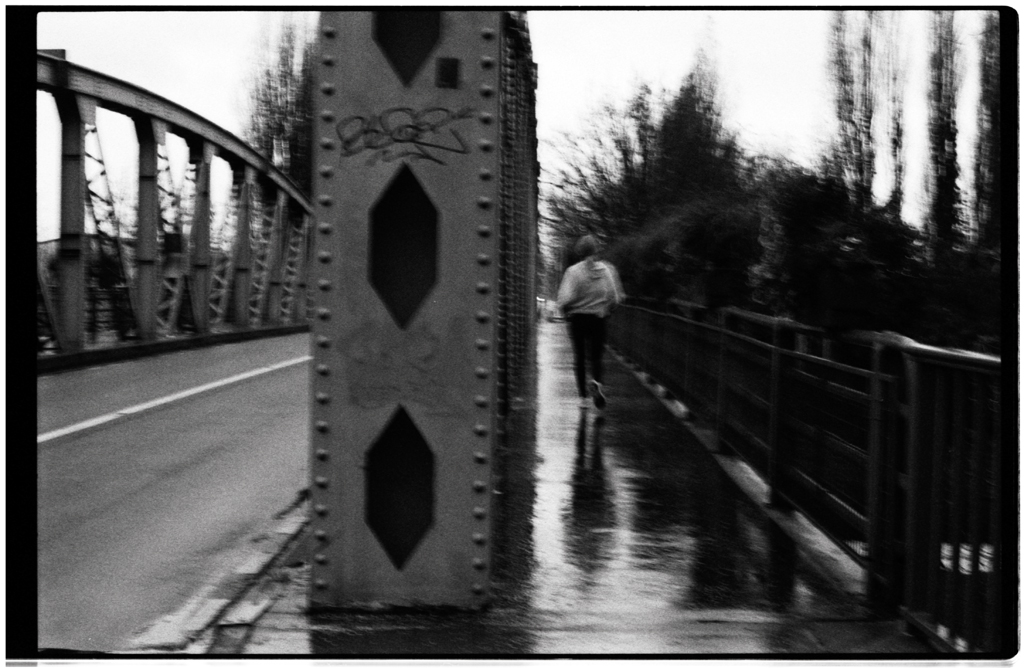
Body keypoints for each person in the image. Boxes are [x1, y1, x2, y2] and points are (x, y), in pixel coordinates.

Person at [556, 234, 625, 411]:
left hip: (578, 319)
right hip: (598, 318)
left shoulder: (573, 271)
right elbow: (615, 297)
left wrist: (565, 312)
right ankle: (596, 383)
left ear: (579, 251)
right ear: (596, 250)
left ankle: (583, 398)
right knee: (596, 357)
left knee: (579, 357)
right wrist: (608, 310)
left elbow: (564, 299)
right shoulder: (606, 270)